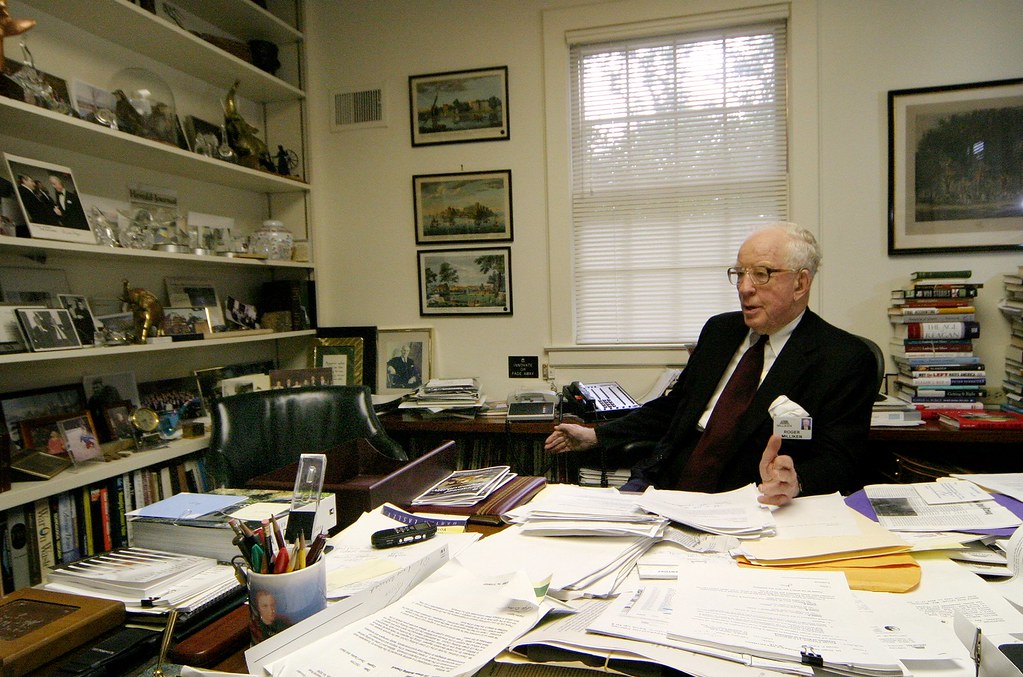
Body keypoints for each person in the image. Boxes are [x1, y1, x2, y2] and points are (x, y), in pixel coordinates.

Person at [544, 223, 877, 507]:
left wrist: (796, 481)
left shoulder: (842, 358)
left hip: (747, 500)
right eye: (740, 273)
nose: (745, 288)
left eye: (761, 274)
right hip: (664, 482)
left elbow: (841, 459)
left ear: (800, 284)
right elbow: (674, 408)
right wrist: (596, 436)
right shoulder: (720, 331)